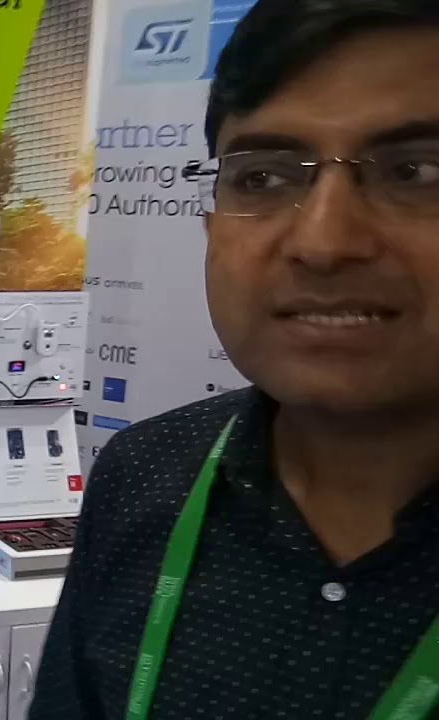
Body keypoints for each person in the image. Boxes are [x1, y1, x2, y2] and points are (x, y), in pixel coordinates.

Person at [30, 1, 439, 718]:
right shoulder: (144, 476)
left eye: (416, 171)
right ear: (211, 220)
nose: (323, 242)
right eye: (264, 178)